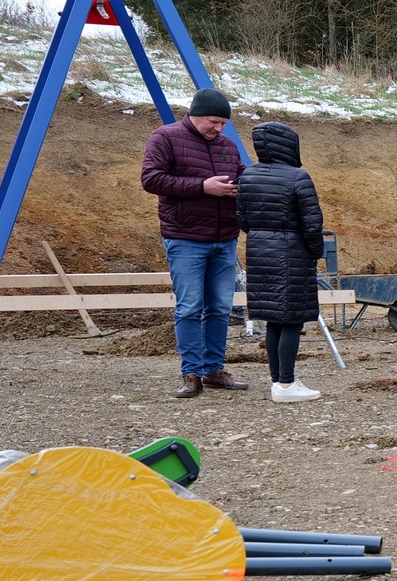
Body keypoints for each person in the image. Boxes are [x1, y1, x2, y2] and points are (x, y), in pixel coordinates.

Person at [140, 87, 245, 398]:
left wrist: (243, 186)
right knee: (189, 308)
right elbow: (151, 179)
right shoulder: (165, 137)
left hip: (225, 239)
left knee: (221, 307)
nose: (220, 129)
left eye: (224, 123)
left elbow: (243, 176)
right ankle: (191, 373)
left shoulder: (228, 146)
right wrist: (203, 187)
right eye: (214, 122)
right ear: (195, 115)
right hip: (185, 238)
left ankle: (213, 370)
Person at [237, 122, 327, 403]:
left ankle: (278, 381)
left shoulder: (247, 175)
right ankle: (287, 385)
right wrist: (315, 253)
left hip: (259, 253)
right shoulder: (298, 177)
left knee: (274, 319)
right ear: (289, 144)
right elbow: (312, 225)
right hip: (292, 254)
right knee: (292, 320)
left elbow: (242, 220)